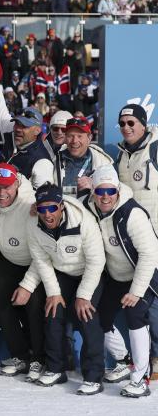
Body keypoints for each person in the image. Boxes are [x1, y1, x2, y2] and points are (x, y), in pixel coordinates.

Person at [82, 165, 157, 397]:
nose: (105, 197)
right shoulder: (88, 206)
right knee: (99, 315)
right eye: (100, 191)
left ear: (117, 190)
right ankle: (124, 361)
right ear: (93, 191)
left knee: (135, 316)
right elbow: (66, 206)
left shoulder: (132, 213)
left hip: (144, 275)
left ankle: (140, 378)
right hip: (116, 275)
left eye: (110, 192)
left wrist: (136, 292)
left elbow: (149, 255)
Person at [28, 183, 106, 394]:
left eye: (52, 208)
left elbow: (97, 261)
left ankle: (94, 376)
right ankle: (56, 368)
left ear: (61, 206)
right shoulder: (33, 225)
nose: (47, 214)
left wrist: (83, 296)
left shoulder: (83, 221)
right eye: (42, 209)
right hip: (62, 272)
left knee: (86, 315)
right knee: (53, 312)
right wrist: (53, 292)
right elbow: (41, 260)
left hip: (89, 272)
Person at [0, 162, 46, 380]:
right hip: (9, 259)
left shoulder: (31, 204)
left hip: (35, 261)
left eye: (7, 187)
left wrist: (27, 286)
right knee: (0, 302)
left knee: (34, 305)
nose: (1, 193)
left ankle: (38, 358)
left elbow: (44, 252)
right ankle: (20, 355)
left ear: (17, 184)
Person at [113, 104, 158, 378]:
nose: (127, 128)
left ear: (143, 124)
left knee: (152, 301)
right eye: (122, 123)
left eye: (132, 122)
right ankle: (148, 357)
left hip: (155, 239)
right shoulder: (121, 155)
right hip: (131, 242)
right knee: (142, 301)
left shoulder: (155, 148)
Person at [53, 116, 112, 198]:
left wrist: (95, 187)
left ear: (89, 138)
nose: (74, 141)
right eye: (70, 136)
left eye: (79, 136)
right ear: (65, 138)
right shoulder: (54, 160)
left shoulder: (103, 163)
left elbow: (115, 194)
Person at [8, 107, 54, 189]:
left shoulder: (42, 163)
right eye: (17, 123)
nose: (18, 129)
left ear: (37, 130)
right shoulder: (13, 142)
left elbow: (42, 199)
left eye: (24, 126)